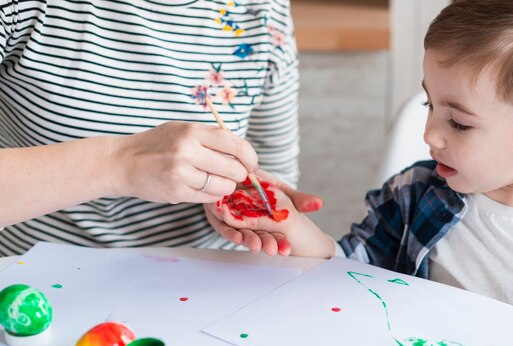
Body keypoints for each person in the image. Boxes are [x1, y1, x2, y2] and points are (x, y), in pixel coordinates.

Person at [209, 0, 513, 346]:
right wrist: (288, 221)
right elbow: (347, 273)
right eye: (430, 104)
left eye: (459, 123)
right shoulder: (413, 195)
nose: (429, 134)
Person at [0, 0, 317, 255]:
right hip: (40, 285)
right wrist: (119, 164)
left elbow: (273, 168)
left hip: (210, 287)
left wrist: (233, 196)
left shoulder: (263, 11)